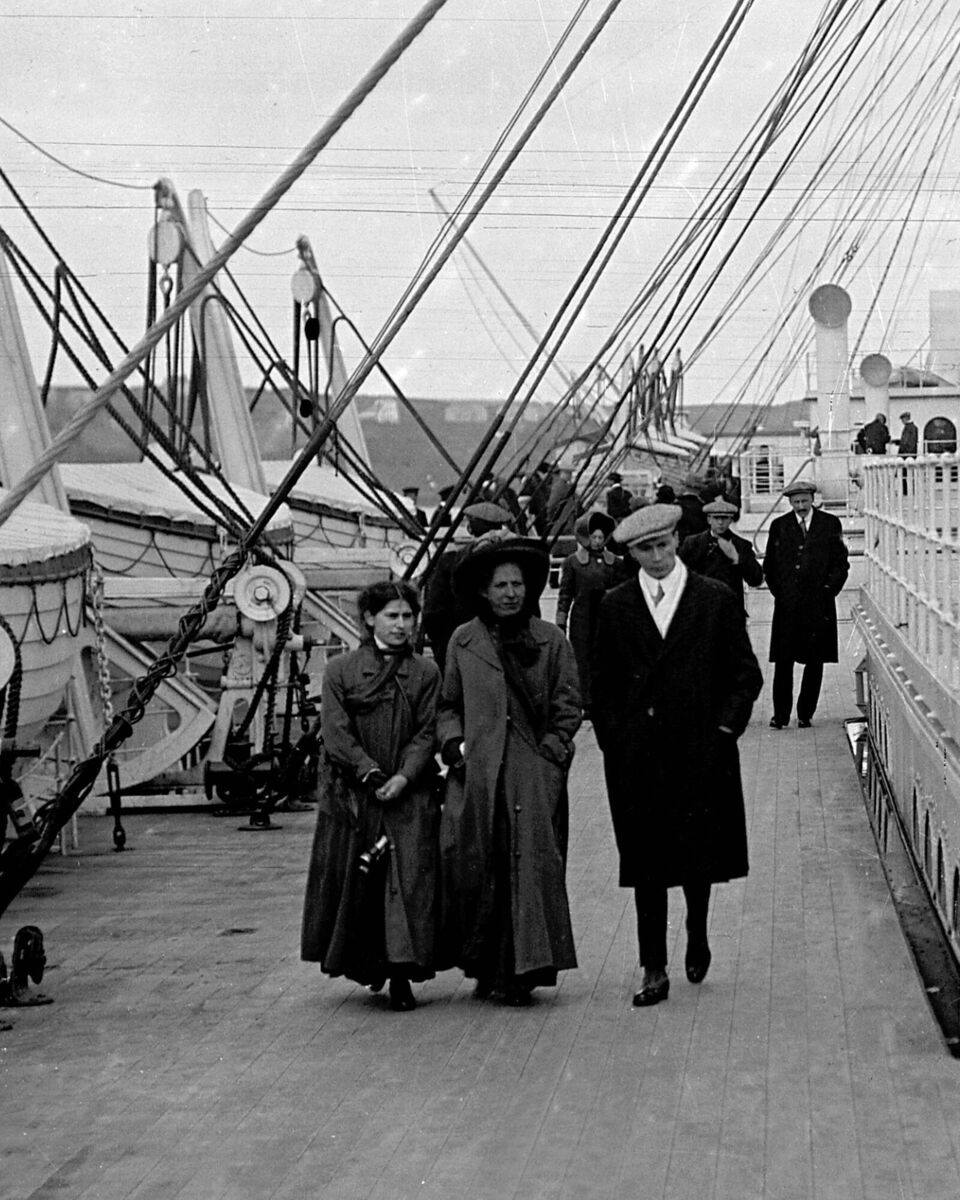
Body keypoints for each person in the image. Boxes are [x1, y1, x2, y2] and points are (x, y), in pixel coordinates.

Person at [592, 504, 762, 1008]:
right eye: (646, 549)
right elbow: (602, 685)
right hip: (639, 757)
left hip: (701, 750)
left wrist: (724, 728)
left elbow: (744, 674)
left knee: (697, 854)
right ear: (631, 553)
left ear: (676, 540)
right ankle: (653, 966)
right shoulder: (616, 605)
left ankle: (697, 930)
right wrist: (615, 742)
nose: (658, 556)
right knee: (647, 860)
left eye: (664, 544)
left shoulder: (715, 599)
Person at [438, 533, 581, 1005]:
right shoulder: (463, 640)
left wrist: (550, 759)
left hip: (532, 776)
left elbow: (568, 707)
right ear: (484, 590)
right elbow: (448, 704)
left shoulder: (550, 640)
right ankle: (486, 966)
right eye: (500, 585)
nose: (510, 593)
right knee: (480, 866)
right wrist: (453, 745)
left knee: (531, 870)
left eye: (517, 584)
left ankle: (525, 971)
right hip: (478, 773)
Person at [301, 580, 441, 1012]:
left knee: (407, 881)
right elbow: (336, 732)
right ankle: (368, 964)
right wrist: (370, 773)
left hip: (407, 793)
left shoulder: (425, 672)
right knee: (359, 882)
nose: (402, 625)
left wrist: (403, 776)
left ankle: (402, 974)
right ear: (368, 618)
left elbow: (427, 730)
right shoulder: (342, 670)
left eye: (407, 616)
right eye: (392, 616)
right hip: (354, 795)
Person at [763, 479, 849, 729]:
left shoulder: (830, 524)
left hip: (819, 604)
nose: (800, 506)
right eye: (795, 502)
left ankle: (805, 714)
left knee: (815, 660)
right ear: (789, 502)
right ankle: (780, 716)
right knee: (783, 661)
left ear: (813, 499)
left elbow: (840, 564)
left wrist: (827, 591)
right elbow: (770, 565)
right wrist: (781, 592)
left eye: (804, 501)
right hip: (788, 605)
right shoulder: (779, 526)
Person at [420, 501, 512, 672]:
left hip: (458, 646)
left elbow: (433, 613)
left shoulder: (451, 561)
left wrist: (442, 646)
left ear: (476, 525)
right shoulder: (514, 559)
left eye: (471, 521)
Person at [555, 510, 626, 716]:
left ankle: (604, 698)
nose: (597, 541)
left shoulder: (615, 563)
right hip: (582, 618)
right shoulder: (573, 563)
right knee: (581, 659)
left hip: (606, 618)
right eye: (593, 537)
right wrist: (561, 620)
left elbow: (623, 590)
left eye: (601, 538)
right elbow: (565, 594)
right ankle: (585, 701)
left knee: (605, 658)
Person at [678, 496, 764, 615]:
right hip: (700, 611)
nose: (720, 522)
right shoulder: (693, 543)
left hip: (730, 612)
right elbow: (679, 576)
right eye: (716, 518)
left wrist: (736, 558)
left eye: (724, 518)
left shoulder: (741, 545)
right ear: (709, 519)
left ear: (731, 520)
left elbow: (756, 579)